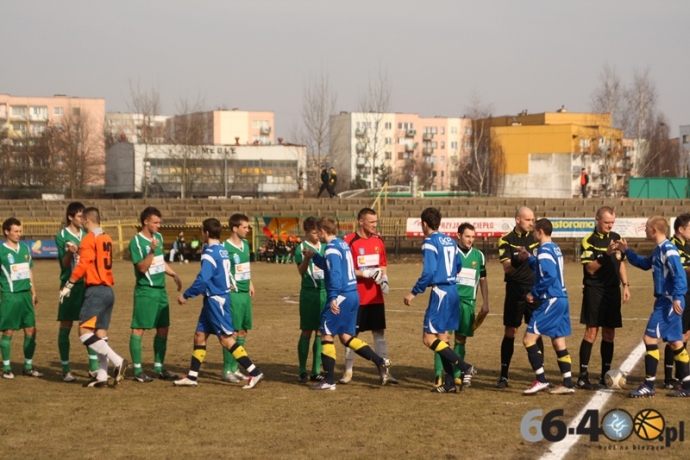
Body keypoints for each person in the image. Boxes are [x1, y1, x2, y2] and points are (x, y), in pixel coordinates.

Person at [174, 218, 263, 389]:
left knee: (226, 339)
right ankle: (192, 377)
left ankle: (254, 371)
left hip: (216, 300)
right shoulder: (221, 250)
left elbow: (203, 279)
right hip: (211, 300)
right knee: (199, 336)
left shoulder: (210, 253)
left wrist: (186, 295)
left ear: (206, 233)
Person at [305, 216, 392, 390]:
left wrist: (334, 298)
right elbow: (337, 267)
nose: (318, 236)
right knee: (345, 337)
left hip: (342, 295)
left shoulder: (330, 249)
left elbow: (336, 274)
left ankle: (329, 380)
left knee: (326, 333)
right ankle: (380, 361)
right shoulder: (343, 245)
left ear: (323, 231)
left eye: (318, 232)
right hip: (353, 294)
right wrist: (314, 257)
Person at [404, 208, 474, 393]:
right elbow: (458, 265)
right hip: (453, 292)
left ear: (424, 224)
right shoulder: (450, 241)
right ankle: (450, 383)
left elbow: (428, 272)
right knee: (443, 338)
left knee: (428, 339)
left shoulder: (429, 242)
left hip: (441, 292)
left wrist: (413, 292)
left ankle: (465, 367)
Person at [618, 216, 690, 397]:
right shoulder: (659, 249)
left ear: (654, 230)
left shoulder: (668, 250)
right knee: (676, 342)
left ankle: (649, 384)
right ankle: (688, 385)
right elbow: (644, 263)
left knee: (649, 339)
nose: (645, 230)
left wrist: (676, 297)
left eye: (647, 227)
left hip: (668, 301)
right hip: (667, 299)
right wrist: (627, 251)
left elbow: (680, 275)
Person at [59, 207, 128, 387]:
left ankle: (118, 361)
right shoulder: (106, 237)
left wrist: (70, 283)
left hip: (95, 290)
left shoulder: (89, 238)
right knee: (100, 333)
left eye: (82, 218)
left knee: (83, 333)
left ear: (87, 220)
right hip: (108, 290)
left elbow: (84, 263)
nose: (81, 221)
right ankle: (102, 376)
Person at [340, 208, 398, 385]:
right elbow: (345, 269)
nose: (374, 225)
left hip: (375, 297)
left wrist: (385, 280)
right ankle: (348, 371)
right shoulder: (349, 242)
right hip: (356, 297)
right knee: (351, 334)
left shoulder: (378, 240)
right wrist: (365, 274)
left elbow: (382, 264)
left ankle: (384, 371)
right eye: (371, 222)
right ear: (361, 221)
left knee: (379, 333)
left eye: (375, 221)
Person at [576, 206, 630, 390]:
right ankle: (582, 376)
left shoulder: (616, 238)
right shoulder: (588, 241)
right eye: (607, 222)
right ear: (597, 219)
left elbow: (621, 263)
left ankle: (604, 375)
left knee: (609, 333)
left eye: (612, 222)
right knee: (591, 332)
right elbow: (590, 268)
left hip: (612, 291)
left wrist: (626, 285)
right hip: (594, 290)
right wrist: (606, 255)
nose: (610, 225)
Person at [519, 218, 575, 395]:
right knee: (558, 341)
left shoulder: (543, 250)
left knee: (528, 339)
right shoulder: (554, 248)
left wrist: (533, 293)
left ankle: (541, 379)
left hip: (551, 299)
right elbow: (545, 268)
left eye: (534, 230)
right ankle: (567, 382)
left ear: (540, 231)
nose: (533, 233)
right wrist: (529, 258)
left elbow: (549, 276)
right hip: (562, 298)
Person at [128, 207, 183, 383]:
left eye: (160, 222)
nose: (159, 226)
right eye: (156, 222)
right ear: (145, 222)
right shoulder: (136, 242)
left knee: (163, 329)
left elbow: (160, 262)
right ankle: (137, 370)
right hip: (145, 291)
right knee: (139, 329)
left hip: (161, 292)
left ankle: (158, 367)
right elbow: (142, 268)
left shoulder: (158, 238)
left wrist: (173, 274)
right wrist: (151, 251)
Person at [433, 222, 488, 390]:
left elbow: (483, 280)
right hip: (450, 301)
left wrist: (486, 302)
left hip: (468, 303)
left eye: (472, 236)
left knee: (461, 340)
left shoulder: (479, 255)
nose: (470, 240)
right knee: (443, 339)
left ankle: (457, 375)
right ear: (459, 236)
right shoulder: (451, 252)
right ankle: (438, 375)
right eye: (467, 236)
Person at [495, 206, 541, 388]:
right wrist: (520, 259)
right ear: (518, 219)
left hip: (534, 290)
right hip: (514, 290)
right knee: (510, 332)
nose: (531, 223)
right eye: (528, 220)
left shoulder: (536, 239)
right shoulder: (506, 240)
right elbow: (507, 268)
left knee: (535, 332)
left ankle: (540, 376)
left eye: (533, 220)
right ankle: (503, 375)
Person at [55, 202, 99, 382]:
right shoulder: (62, 236)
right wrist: (69, 254)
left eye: (84, 216)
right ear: (70, 217)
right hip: (69, 286)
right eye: (79, 216)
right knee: (66, 326)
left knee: (89, 326)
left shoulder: (87, 235)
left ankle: (94, 367)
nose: (83, 219)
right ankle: (66, 368)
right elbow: (64, 264)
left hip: (86, 286)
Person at [0, 218, 42, 379]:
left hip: (26, 296)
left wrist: (34, 292)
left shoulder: (24, 248)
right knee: (8, 332)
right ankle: (7, 368)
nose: (19, 234)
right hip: (10, 297)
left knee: (31, 330)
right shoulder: (1, 251)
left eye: (20, 231)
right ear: (6, 232)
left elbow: (29, 271)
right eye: (16, 231)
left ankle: (28, 366)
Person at [221, 214, 255, 383]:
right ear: (235, 228)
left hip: (244, 294)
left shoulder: (246, 245)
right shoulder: (224, 247)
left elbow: (245, 267)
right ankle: (227, 370)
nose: (248, 230)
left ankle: (235, 368)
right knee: (231, 333)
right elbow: (220, 269)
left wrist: (250, 283)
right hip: (233, 295)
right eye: (245, 227)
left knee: (242, 331)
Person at [294, 217, 327, 383]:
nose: (317, 235)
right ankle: (302, 370)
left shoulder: (325, 246)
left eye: (318, 232)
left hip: (324, 293)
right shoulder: (300, 248)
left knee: (321, 332)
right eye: (314, 232)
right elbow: (300, 271)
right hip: (309, 293)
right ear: (306, 232)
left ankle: (315, 370)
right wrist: (307, 258)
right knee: (307, 330)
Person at [665, 213, 690, 388]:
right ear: (681, 229)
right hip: (679, 296)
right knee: (676, 336)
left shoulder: (688, 246)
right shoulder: (671, 247)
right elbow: (681, 271)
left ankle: (682, 375)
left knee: (686, 335)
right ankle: (669, 377)